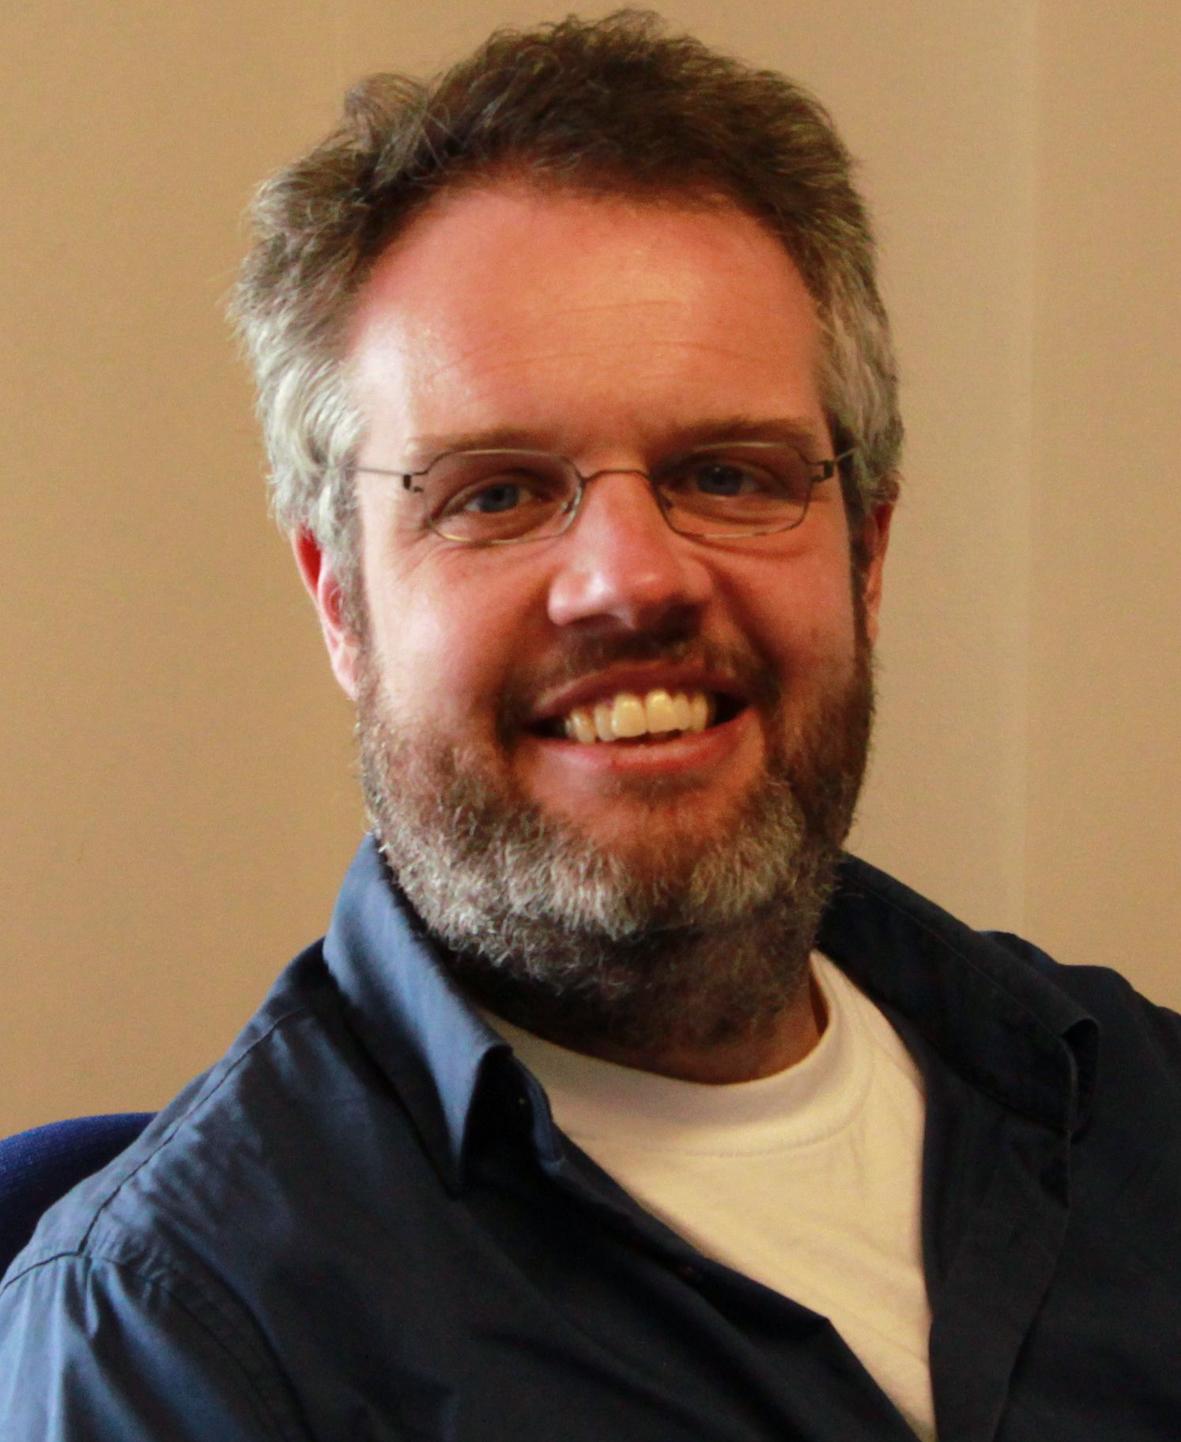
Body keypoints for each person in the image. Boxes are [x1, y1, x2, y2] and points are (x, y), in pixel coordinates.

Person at [1, 12, 1178, 1440]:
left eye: (727, 475)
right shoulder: (182, 1326)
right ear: (343, 602)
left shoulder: (1134, 1101)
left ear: (866, 555)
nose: (631, 578)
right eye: (495, 493)